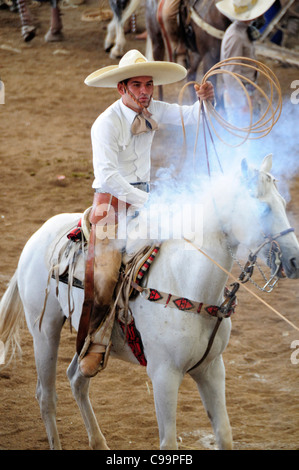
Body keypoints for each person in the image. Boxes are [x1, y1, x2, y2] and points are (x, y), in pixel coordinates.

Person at [78, 49, 215, 378]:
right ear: (121, 88)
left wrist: (208, 100)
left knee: (189, 240)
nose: (144, 92)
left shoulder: (154, 109)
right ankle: (96, 342)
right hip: (109, 204)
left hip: (146, 196)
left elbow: (195, 116)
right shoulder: (105, 124)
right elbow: (108, 176)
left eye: (149, 85)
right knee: (106, 271)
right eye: (137, 85)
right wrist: (147, 201)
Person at [216, 0, 276, 122]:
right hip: (239, 94)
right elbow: (230, 73)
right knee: (242, 133)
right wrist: (240, 104)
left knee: (251, 131)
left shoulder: (242, 30)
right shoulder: (235, 36)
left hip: (246, 90)